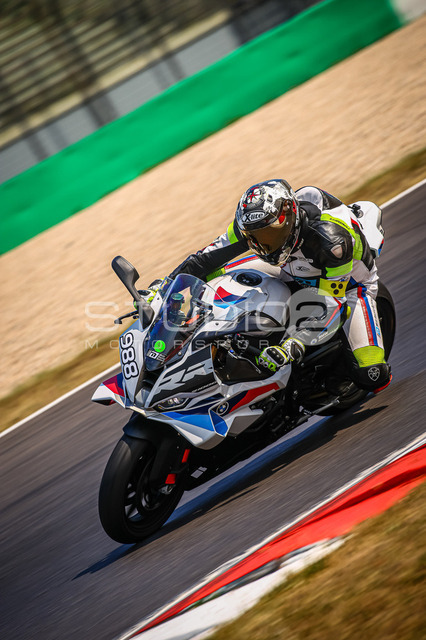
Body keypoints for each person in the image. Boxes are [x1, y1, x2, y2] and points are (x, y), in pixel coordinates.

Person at [165, 179, 391, 393]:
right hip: (289, 267)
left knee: (372, 375)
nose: (265, 244)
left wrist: (293, 345)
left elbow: (333, 305)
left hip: (348, 287)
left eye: (271, 234)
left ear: (290, 218)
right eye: (255, 237)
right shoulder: (251, 226)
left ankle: (331, 372)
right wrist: (164, 286)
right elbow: (206, 258)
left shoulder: (331, 242)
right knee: (215, 274)